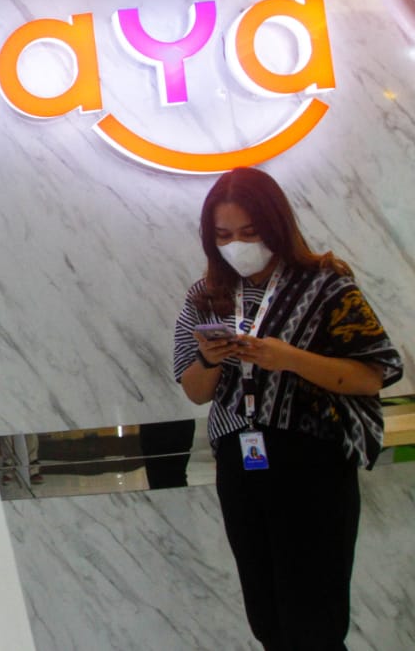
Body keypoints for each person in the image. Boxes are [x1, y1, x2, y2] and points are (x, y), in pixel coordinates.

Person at [172, 167, 403, 651]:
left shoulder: (327, 284)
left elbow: (372, 373)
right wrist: (209, 358)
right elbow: (195, 390)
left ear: (275, 225)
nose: (237, 245)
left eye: (249, 232)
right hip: (240, 462)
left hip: (312, 460)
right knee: (268, 619)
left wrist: (289, 359)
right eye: (224, 235)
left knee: (314, 623)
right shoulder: (205, 296)